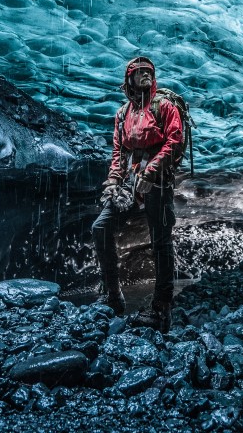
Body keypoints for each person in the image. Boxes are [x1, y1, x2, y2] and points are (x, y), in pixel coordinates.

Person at [92, 56, 183, 332]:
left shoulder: (164, 107)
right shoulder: (122, 114)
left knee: (161, 242)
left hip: (159, 183)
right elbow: (119, 153)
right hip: (131, 182)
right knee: (101, 227)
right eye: (139, 71)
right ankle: (113, 294)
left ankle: (161, 308)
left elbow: (175, 140)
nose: (145, 75)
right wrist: (113, 181)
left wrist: (152, 171)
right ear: (129, 78)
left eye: (149, 72)